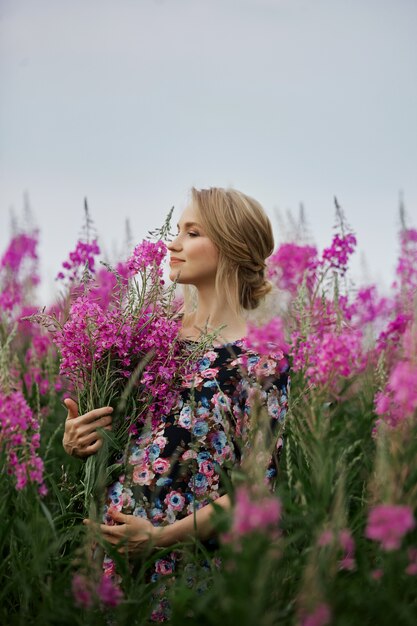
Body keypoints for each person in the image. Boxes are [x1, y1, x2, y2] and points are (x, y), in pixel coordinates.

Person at [63, 187, 289, 620]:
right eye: (177, 230)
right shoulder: (147, 335)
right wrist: (77, 440)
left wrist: (161, 537)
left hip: (192, 571)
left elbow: (257, 489)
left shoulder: (263, 362)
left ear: (230, 247)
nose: (173, 242)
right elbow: (111, 435)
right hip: (110, 561)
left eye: (192, 232)